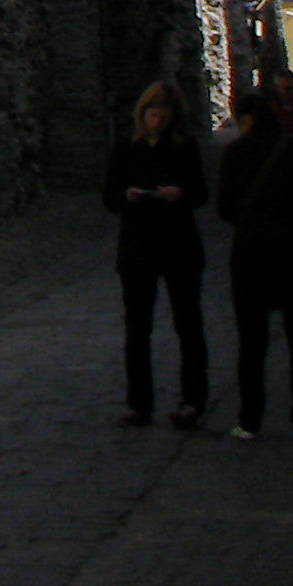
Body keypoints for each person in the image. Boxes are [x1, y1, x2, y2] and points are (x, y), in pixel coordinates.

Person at [216, 88, 293, 441]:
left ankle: (250, 420)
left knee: (251, 342)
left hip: (250, 254)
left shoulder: (234, 153)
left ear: (246, 120)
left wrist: (250, 223)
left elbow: (224, 207)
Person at [100, 79, 208, 429]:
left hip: (178, 245)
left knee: (188, 326)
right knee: (137, 329)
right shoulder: (126, 149)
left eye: (162, 116)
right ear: (142, 114)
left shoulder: (183, 148)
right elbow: (109, 196)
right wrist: (127, 196)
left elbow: (201, 192)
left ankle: (193, 400)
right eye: (152, 114)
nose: (156, 121)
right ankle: (139, 403)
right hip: (138, 246)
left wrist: (180, 193)